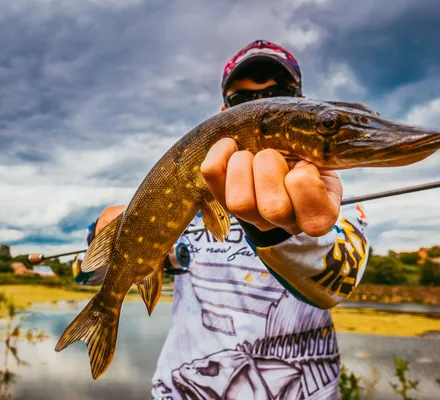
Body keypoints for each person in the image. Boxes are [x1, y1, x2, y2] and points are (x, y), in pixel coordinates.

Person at [80, 40, 369, 400]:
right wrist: (100, 232)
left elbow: (338, 282)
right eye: (243, 102)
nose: (261, 107)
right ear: (223, 111)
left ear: (301, 102)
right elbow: (86, 272)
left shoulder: (332, 192)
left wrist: (279, 229)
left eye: (277, 94)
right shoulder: (182, 191)